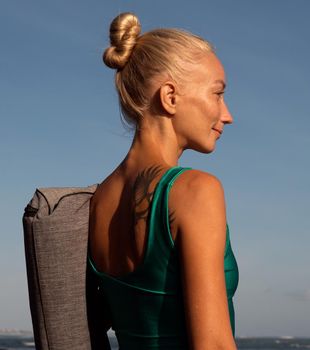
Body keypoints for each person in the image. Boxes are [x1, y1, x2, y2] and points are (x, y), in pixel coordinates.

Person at [87, 12, 239, 349]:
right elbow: (212, 344)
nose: (227, 114)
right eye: (217, 94)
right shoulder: (195, 190)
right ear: (170, 97)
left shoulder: (96, 201)